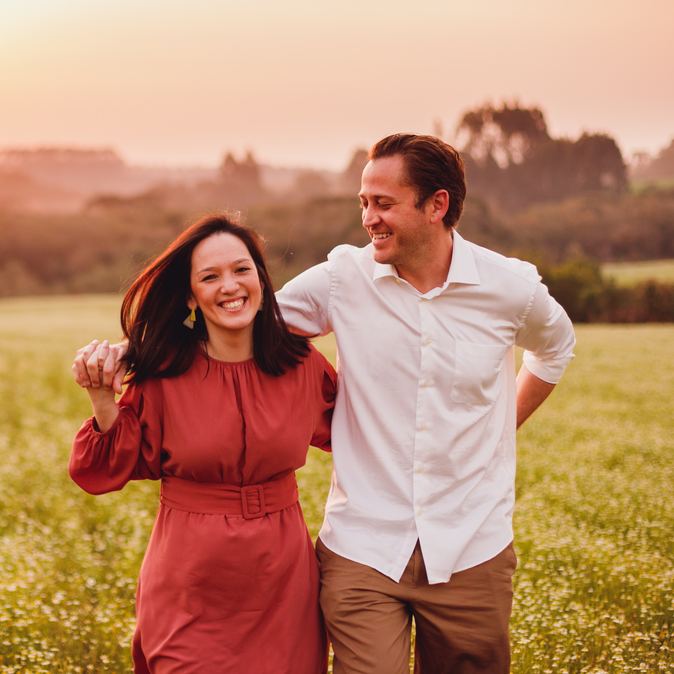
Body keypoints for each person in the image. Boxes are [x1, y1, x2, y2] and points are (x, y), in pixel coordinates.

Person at [79, 134, 576, 674]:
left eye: (382, 204)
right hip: (364, 546)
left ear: (437, 205)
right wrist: (131, 353)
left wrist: (503, 428)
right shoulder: (343, 279)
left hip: (471, 543)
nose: (368, 218)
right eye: (363, 202)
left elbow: (556, 349)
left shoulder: (511, 289)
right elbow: (246, 318)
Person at [68, 213, 337, 674]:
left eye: (241, 270)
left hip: (283, 582)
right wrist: (101, 396)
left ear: (261, 278)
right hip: (189, 585)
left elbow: (363, 429)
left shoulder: (302, 364)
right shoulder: (164, 372)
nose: (229, 286)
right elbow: (110, 466)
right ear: (191, 295)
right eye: (210, 277)